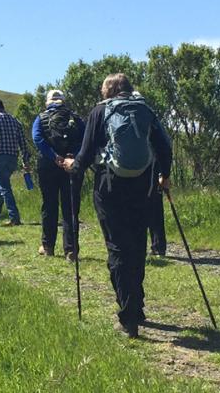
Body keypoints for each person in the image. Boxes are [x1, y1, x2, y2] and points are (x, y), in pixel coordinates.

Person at [60, 74, 173, 338]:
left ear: (108, 92)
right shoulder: (145, 110)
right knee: (137, 245)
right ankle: (138, 306)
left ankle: (128, 315)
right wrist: (164, 176)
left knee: (117, 248)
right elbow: (164, 147)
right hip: (143, 186)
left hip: (109, 187)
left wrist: (71, 167)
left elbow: (86, 154)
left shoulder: (100, 112)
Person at [32, 88, 85, 258]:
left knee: (49, 205)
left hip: (48, 165)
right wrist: (72, 156)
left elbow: (37, 139)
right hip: (71, 165)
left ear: (47, 102)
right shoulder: (75, 118)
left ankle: (48, 247)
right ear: (63, 100)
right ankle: (70, 249)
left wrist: (54, 156)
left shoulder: (41, 118)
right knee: (70, 207)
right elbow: (85, 139)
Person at [0, 98, 32, 225]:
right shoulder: (15, 121)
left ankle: (14, 217)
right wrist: (25, 160)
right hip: (13, 158)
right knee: (1, 184)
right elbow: (23, 143)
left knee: (4, 187)